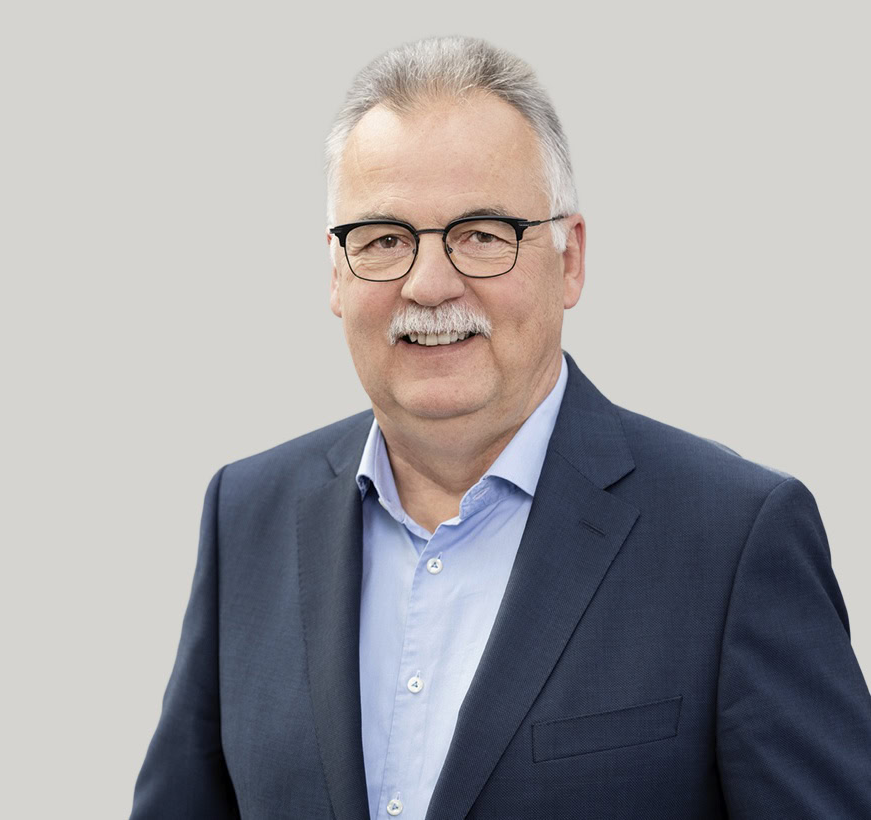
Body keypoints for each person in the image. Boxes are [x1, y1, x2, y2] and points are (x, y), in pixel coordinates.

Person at [130, 35, 871, 819]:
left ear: (570, 258)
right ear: (337, 273)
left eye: (482, 234)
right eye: (385, 239)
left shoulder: (732, 539)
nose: (429, 284)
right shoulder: (247, 515)